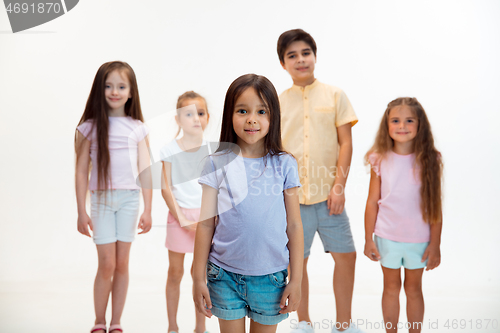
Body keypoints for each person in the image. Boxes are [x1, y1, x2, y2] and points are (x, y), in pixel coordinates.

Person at [192, 74, 304, 333]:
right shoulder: (216, 162)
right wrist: (198, 277)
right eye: (242, 110)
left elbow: (295, 226)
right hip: (224, 276)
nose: (252, 118)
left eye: (261, 111)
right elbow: (205, 225)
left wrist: (296, 280)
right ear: (229, 115)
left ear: (272, 116)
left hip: (271, 279)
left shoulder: (285, 164)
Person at [277, 29, 363, 333]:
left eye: (305, 53)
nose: (300, 59)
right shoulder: (276, 101)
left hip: (329, 198)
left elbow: (346, 144)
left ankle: (344, 324)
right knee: (297, 265)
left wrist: (338, 188)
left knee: (347, 258)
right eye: (292, 55)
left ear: (314, 56)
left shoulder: (335, 95)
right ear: (283, 64)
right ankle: (303, 322)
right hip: (291, 200)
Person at [75, 61, 152, 333]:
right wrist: (81, 211)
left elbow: (145, 169)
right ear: (100, 89)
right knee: (106, 263)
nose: (114, 91)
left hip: (130, 201)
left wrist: (148, 209)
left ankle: (116, 322)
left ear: (131, 92)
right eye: (108, 86)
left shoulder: (138, 127)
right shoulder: (89, 127)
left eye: (121, 86)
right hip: (102, 202)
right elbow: (81, 170)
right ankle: (99, 321)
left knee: (122, 263)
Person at [364, 97, 443, 333]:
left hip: (419, 240)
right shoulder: (379, 158)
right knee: (390, 287)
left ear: (420, 125)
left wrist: (435, 244)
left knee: (414, 289)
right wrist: (369, 238)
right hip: (387, 237)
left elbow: (435, 205)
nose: (402, 126)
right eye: (396, 120)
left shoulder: (430, 160)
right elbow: (371, 203)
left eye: (409, 120)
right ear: (386, 125)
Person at [160, 91, 211, 333]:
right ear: (178, 119)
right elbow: (165, 186)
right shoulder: (170, 149)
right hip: (178, 216)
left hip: (205, 219)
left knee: (199, 273)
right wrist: (180, 217)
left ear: (207, 117)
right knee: (176, 272)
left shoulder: (212, 150)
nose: (195, 118)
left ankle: (200, 327)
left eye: (200, 113)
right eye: (188, 114)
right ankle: (172, 326)